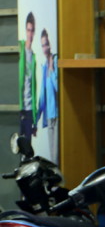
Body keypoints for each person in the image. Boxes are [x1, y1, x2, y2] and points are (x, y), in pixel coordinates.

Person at [38, 28, 58, 163]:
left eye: (46, 44)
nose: (45, 48)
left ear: (50, 45)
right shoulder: (44, 66)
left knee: (56, 156)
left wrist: (52, 70)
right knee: (52, 159)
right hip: (49, 118)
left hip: (57, 116)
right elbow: (42, 96)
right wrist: (36, 118)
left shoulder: (55, 61)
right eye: (42, 45)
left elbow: (58, 87)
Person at [18, 12, 38, 140]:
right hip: (19, 108)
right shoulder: (19, 47)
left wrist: (35, 120)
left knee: (27, 149)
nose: (30, 34)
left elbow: (33, 89)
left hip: (30, 109)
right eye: (28, 30)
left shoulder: (34, 57)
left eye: (32, 31)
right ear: (25, 30)